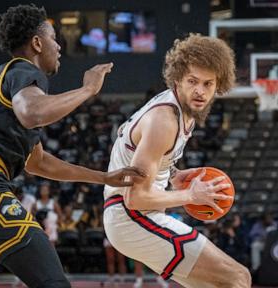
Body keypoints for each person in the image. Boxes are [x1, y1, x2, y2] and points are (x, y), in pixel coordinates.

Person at [0, 4, 144, 288]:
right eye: (54, 38)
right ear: (36, 42)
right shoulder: (23, 69)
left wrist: (103, 177)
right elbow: (32, 112)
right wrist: (88, 90)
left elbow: (39, 163)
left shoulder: (3, 84)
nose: (59, 46)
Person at [103, 34, 252, 288]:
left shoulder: (182, 111)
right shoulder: (165, 120)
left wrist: (173, 174)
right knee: (238, 277)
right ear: (177, 79)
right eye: (193, 81)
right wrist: (190, 196)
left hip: (134, 216)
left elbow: (145, 159)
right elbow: (136, 197)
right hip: (131, 216)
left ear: (220, 85)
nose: (200, 91)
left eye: (208, 84)